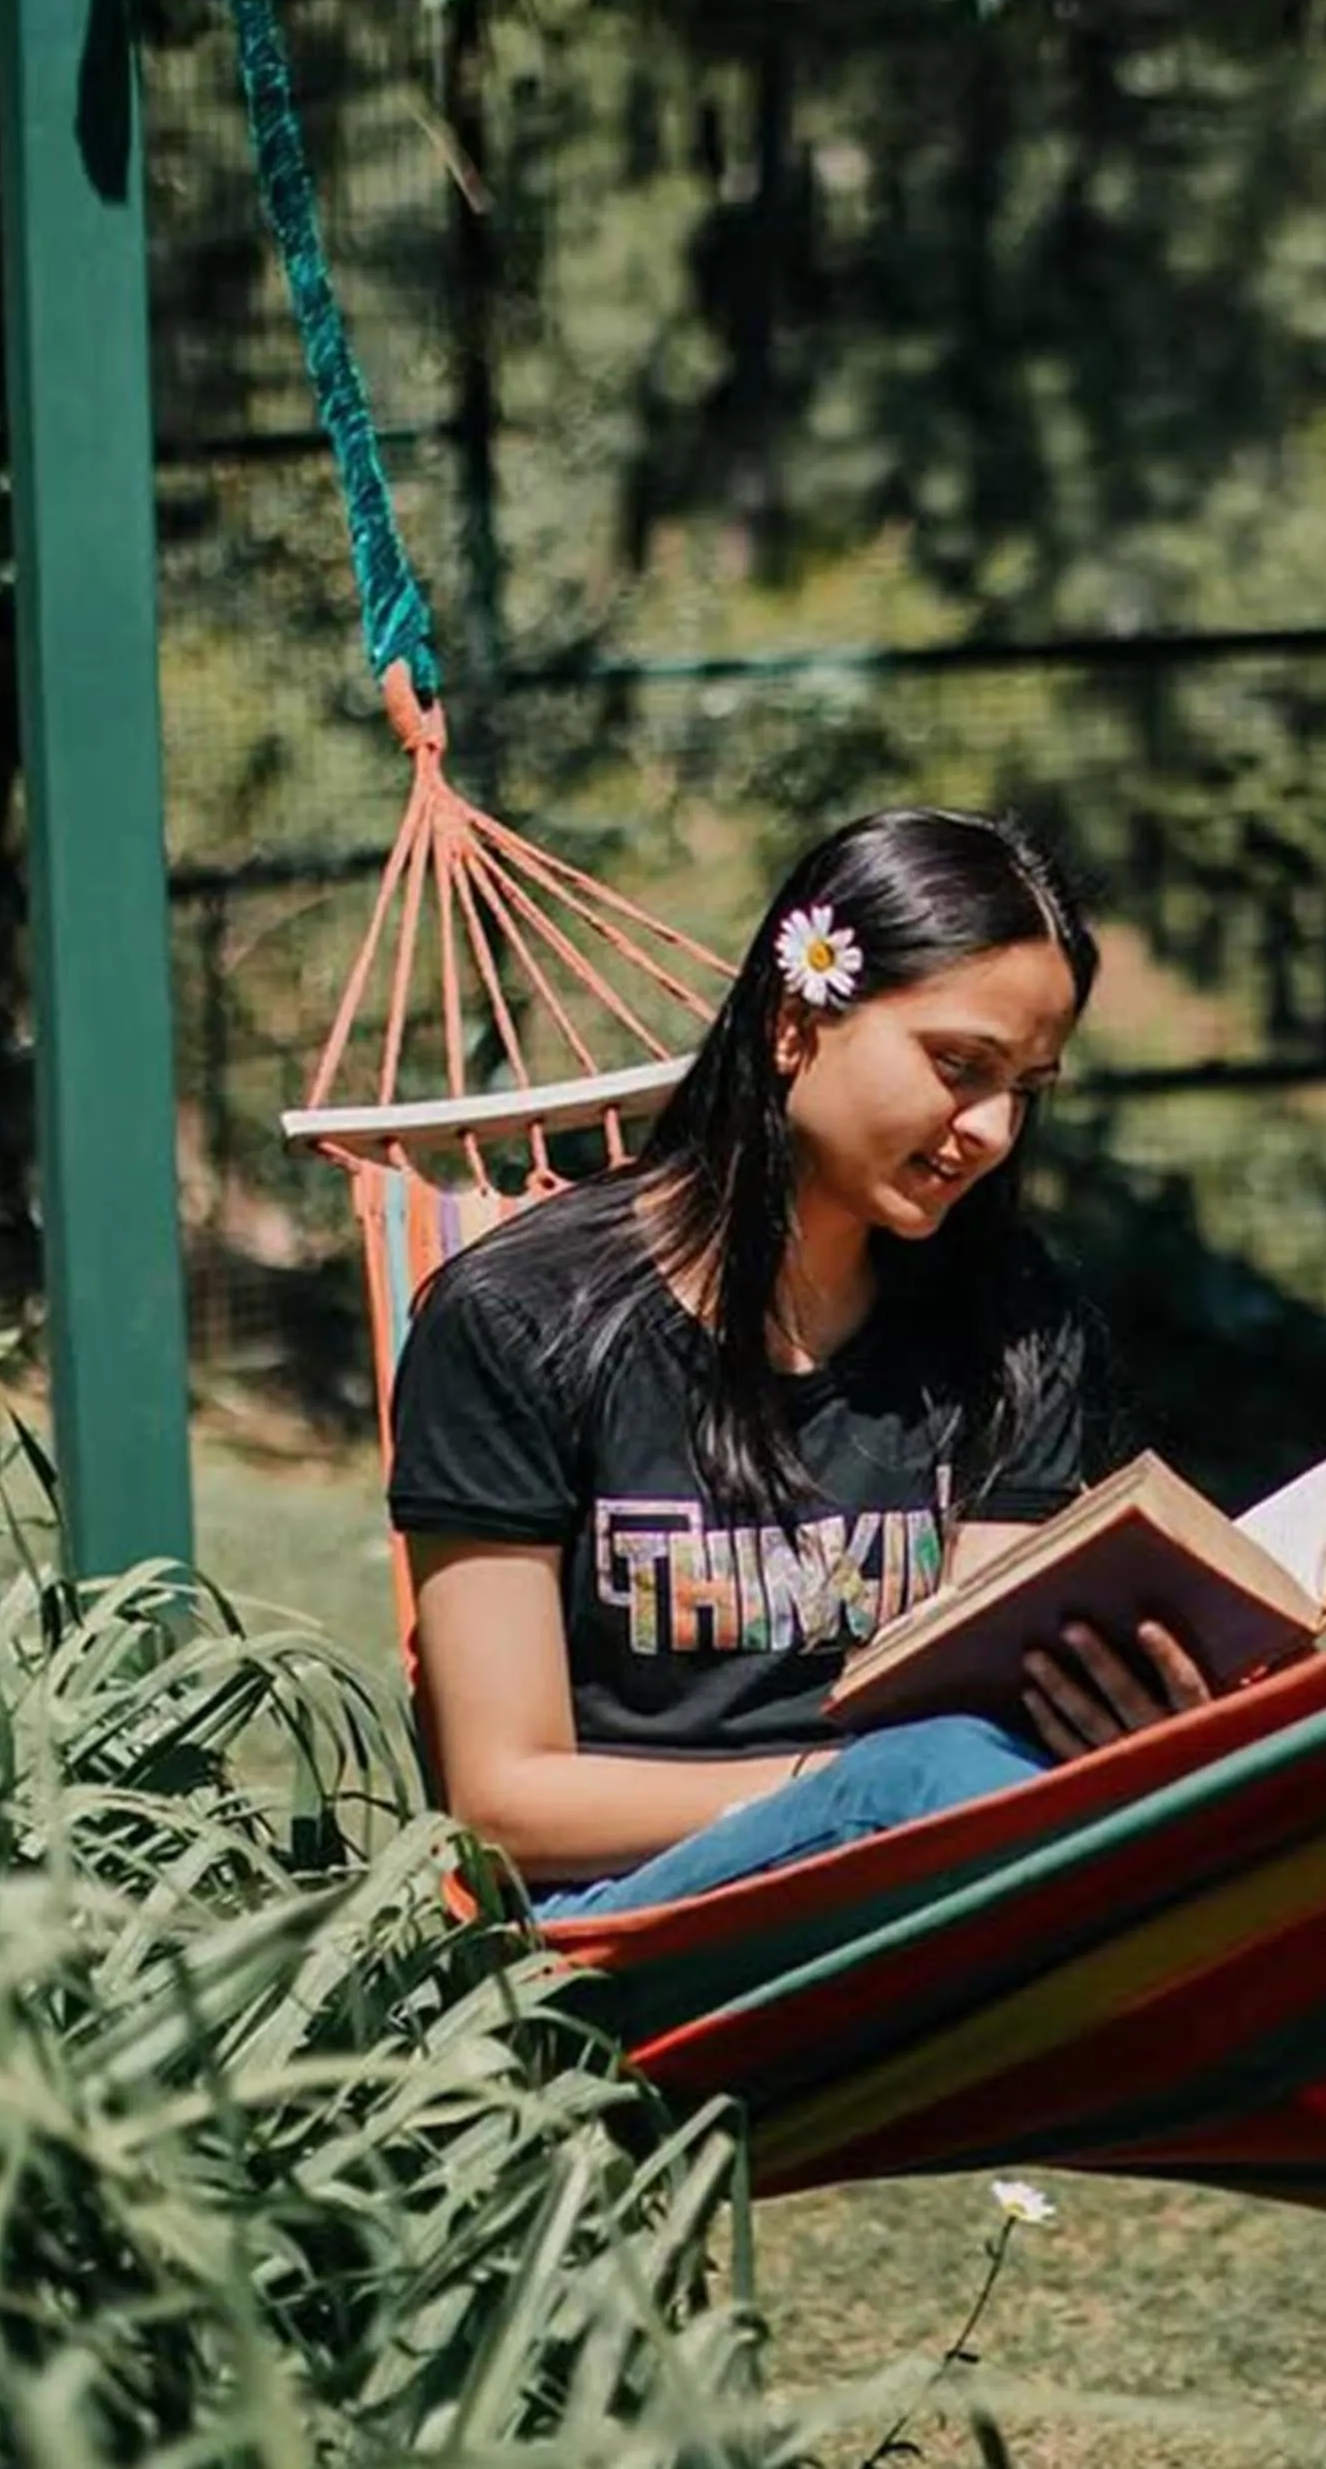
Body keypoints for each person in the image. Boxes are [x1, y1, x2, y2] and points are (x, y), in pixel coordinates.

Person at [386, 806, 1210, 1918]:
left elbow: (984, 1693)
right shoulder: (519, 1320)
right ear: (791, 1022)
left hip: (913, 1897)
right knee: (945, 1774)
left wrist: (1125, 1733)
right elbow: (500, 1801)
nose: (994, 1131)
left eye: (1029, 1085)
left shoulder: (1012, 1327)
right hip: (624, 1925)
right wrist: (856, 1790)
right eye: (960, 1066)